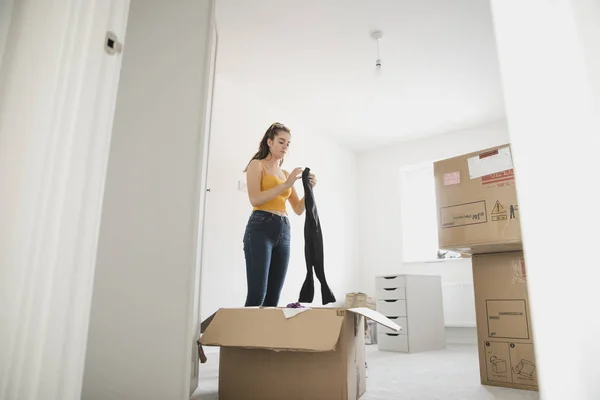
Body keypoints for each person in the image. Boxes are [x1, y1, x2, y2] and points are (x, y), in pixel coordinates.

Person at [242, 122, 316, 307]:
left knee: (273, 298)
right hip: (260, 228)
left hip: (284, 231)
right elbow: (255, 199)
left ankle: (264, 336)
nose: (285, 147)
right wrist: (285, 184)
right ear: (269, 142)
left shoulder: (284, 173)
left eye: (288, 143)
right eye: (281, 142)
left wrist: (309, 191)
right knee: (257, 294)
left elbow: (298, 209)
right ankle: (245, 336)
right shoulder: (257, 165)